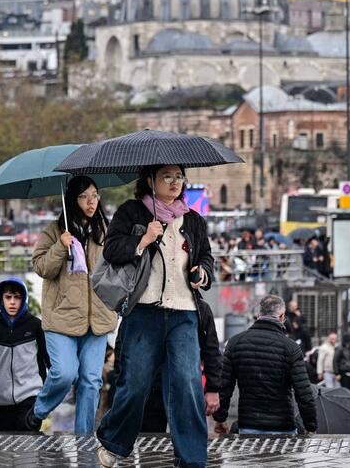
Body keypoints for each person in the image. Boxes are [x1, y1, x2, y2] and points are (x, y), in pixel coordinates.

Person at [95, 164, 214, 468]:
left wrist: (202, 272)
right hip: (144, 311)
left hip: (184, 311)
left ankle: (192, 459)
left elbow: (206, 257)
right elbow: (111, 250)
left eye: (179, 177)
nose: (175, 182)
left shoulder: (193, 220)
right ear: (150, 180)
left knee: (187, 385)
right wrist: (143, 240)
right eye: (167, 177)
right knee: (135, 383)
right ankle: (113, 441)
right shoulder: (132, 211)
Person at [28, 176, 118, 434]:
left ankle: (84, 440)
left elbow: (118, 267)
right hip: (62, 317)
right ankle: (39, 411)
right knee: (65, 373)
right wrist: (60, 246)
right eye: (83, 196)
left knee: (91, 381)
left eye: (95, 195)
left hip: (97, 318)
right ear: (72, 200)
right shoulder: (55, 230)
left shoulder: (106, 230)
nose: (91, 202)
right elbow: (41, 267)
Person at [213, 295, 318, 436]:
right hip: (283, 427)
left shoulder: (234, 343)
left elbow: (224, 386)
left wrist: (220, 419)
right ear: (282, 317)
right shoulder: (291, 348)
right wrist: (310, 425)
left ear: (258, 315)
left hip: (248, 424)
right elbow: (303, 392)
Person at [0, 278, 49, 431]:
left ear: (24, 299)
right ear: (1, 299)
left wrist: (47, 396)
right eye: (8, 297)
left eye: (17, 297)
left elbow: (49, 362)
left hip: (31, 398)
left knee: (28, 443)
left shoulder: (36, 326)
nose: (12, 302)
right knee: (6, 444)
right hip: (3, 403)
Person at [139, 298, 222, 432]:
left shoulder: (200, 308)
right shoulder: (147, 303)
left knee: (187, 435)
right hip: (156, 388)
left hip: (181, 386)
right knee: (153, 435)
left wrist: (213, 389)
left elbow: (211, 351)